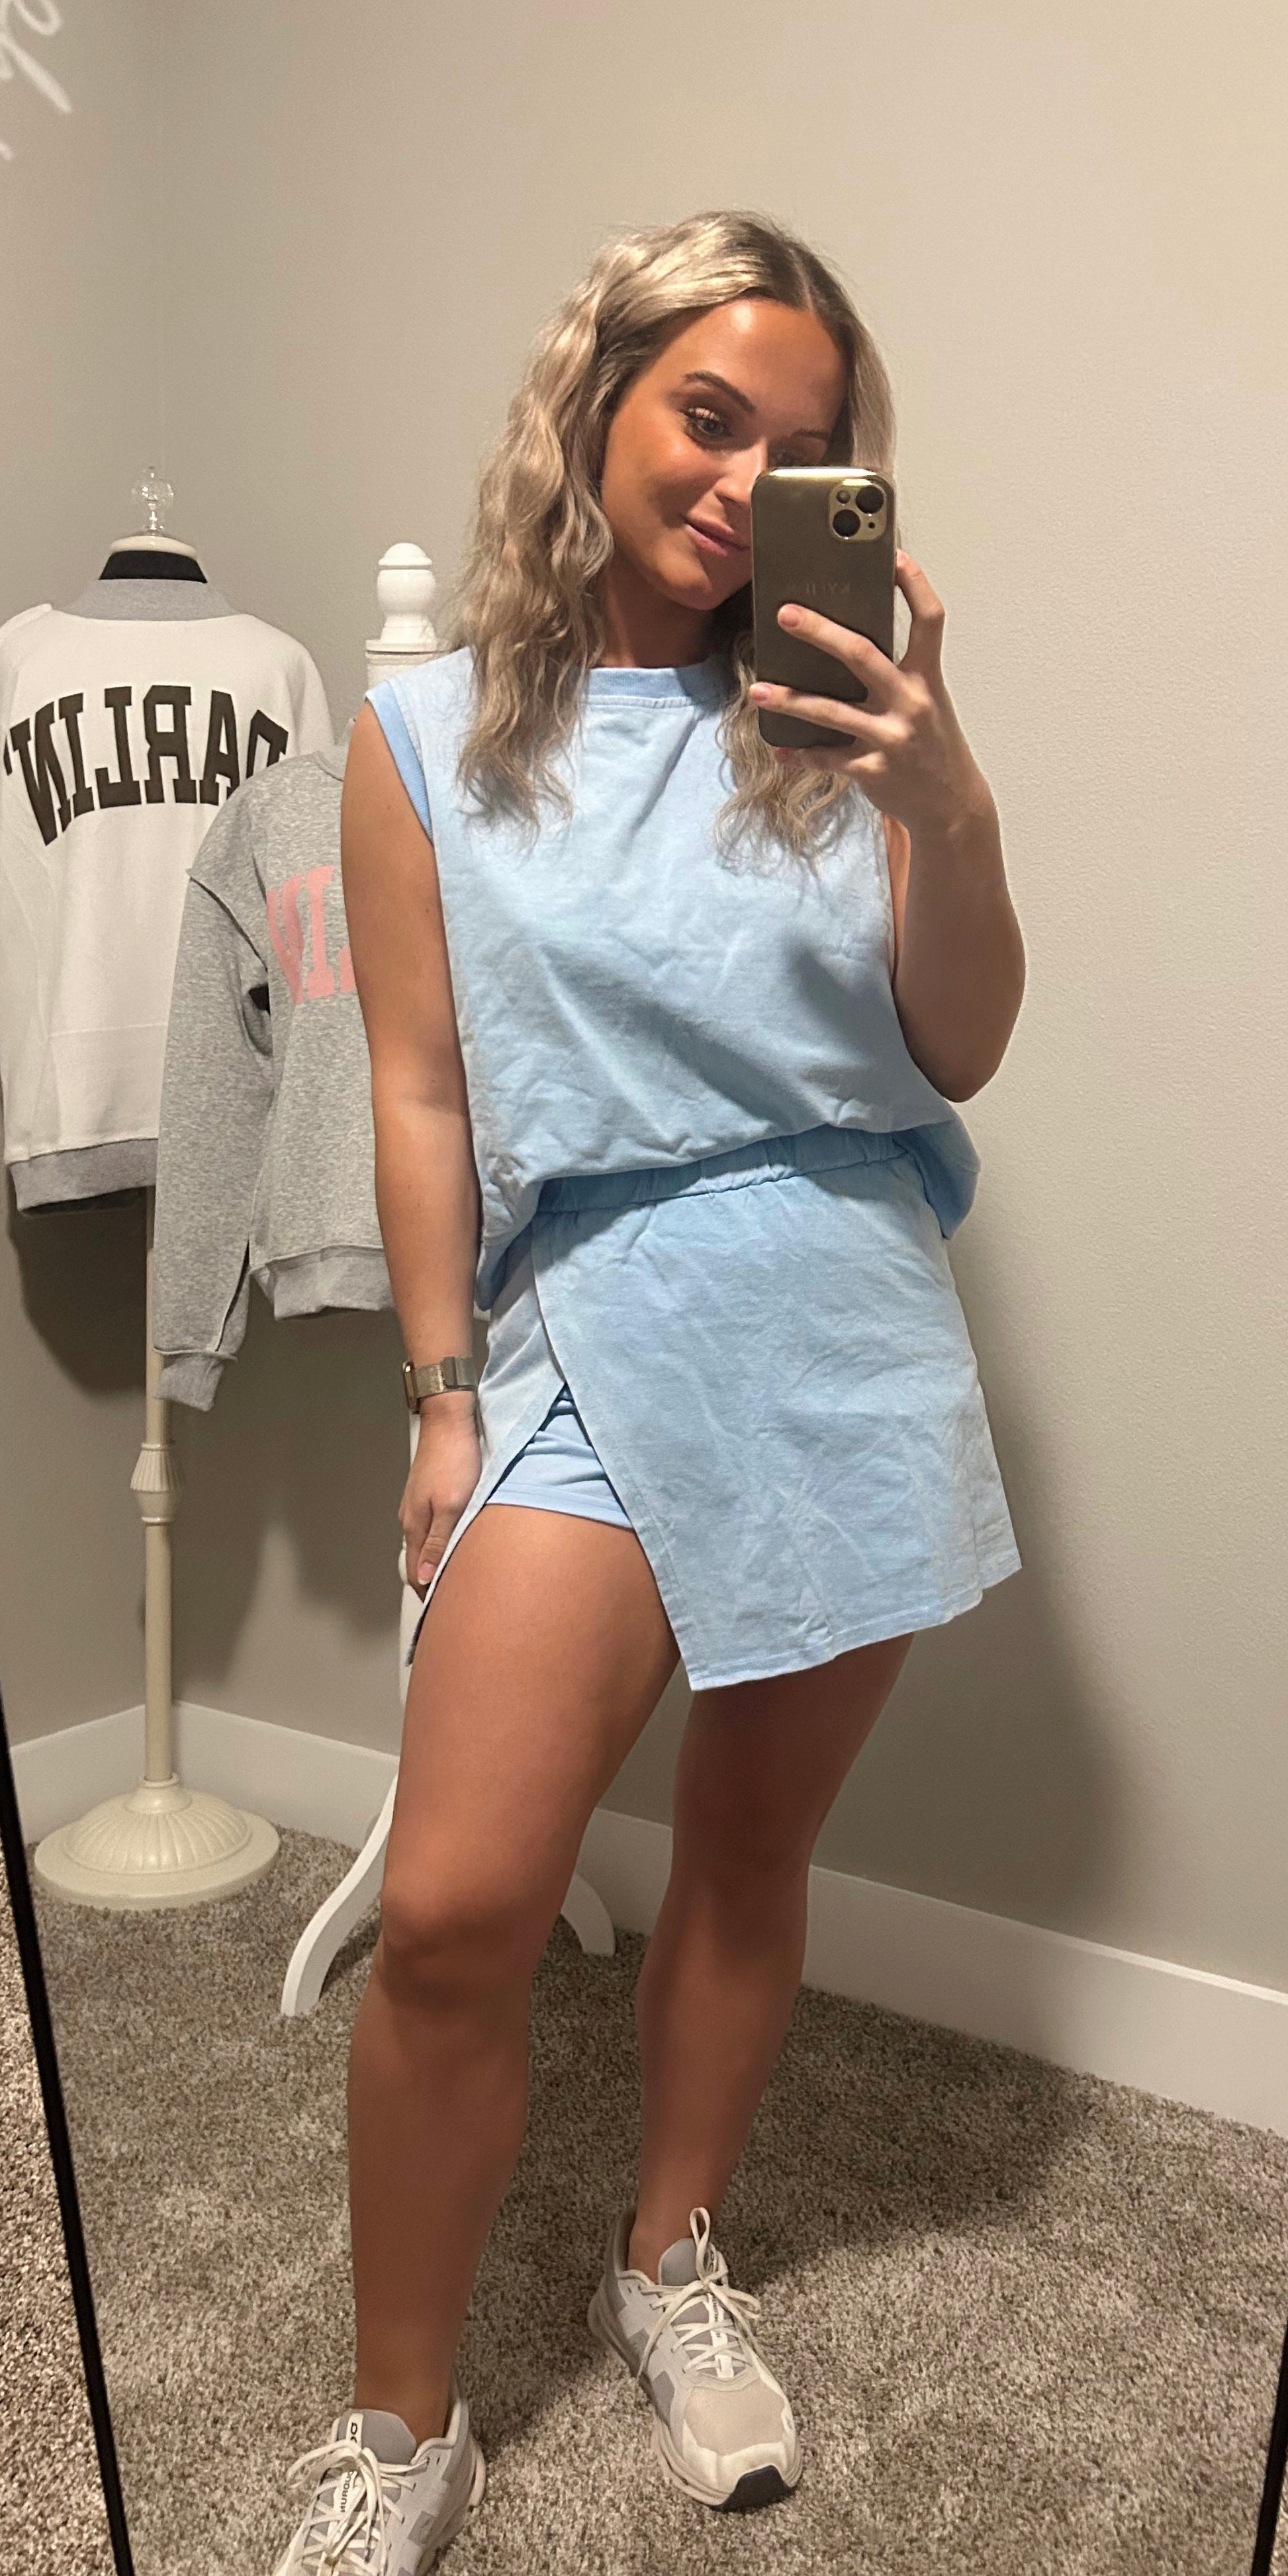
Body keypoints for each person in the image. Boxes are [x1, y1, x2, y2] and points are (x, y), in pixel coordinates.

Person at [271, 206, 1025, 2574]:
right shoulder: (420, 736)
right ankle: (404, 2426)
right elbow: (418, 1089)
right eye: (708, 415)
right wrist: (437, 1396)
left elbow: (959, 1044)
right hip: (588, 1314)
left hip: (844, 1316)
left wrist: (947, 807)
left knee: (746, 1849)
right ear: (595, 400)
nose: (739, 481)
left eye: (801, 449)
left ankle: (667, 2249)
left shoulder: (839, 723)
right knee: (455, 1909)